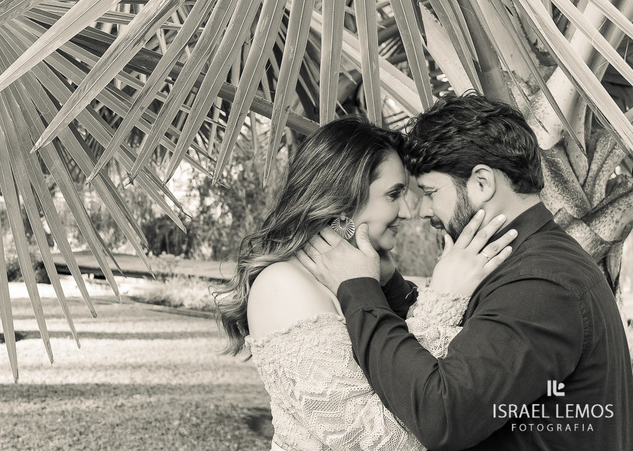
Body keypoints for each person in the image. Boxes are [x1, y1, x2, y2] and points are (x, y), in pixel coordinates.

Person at [300, 94, 633, 450]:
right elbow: (472, 356)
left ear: (482, 183)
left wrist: (360, 291)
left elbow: (442, 415)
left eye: (430, 192)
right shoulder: (529, 265)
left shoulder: (540, 284)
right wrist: (390, 286)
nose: (422, 211)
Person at [216, 115, 515, 450]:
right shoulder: (284, 285)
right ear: (344, 198)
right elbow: (374, 442)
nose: (408, 212)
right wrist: (443, 300)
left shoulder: (362, 275)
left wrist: (386, 286)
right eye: (394, 194)